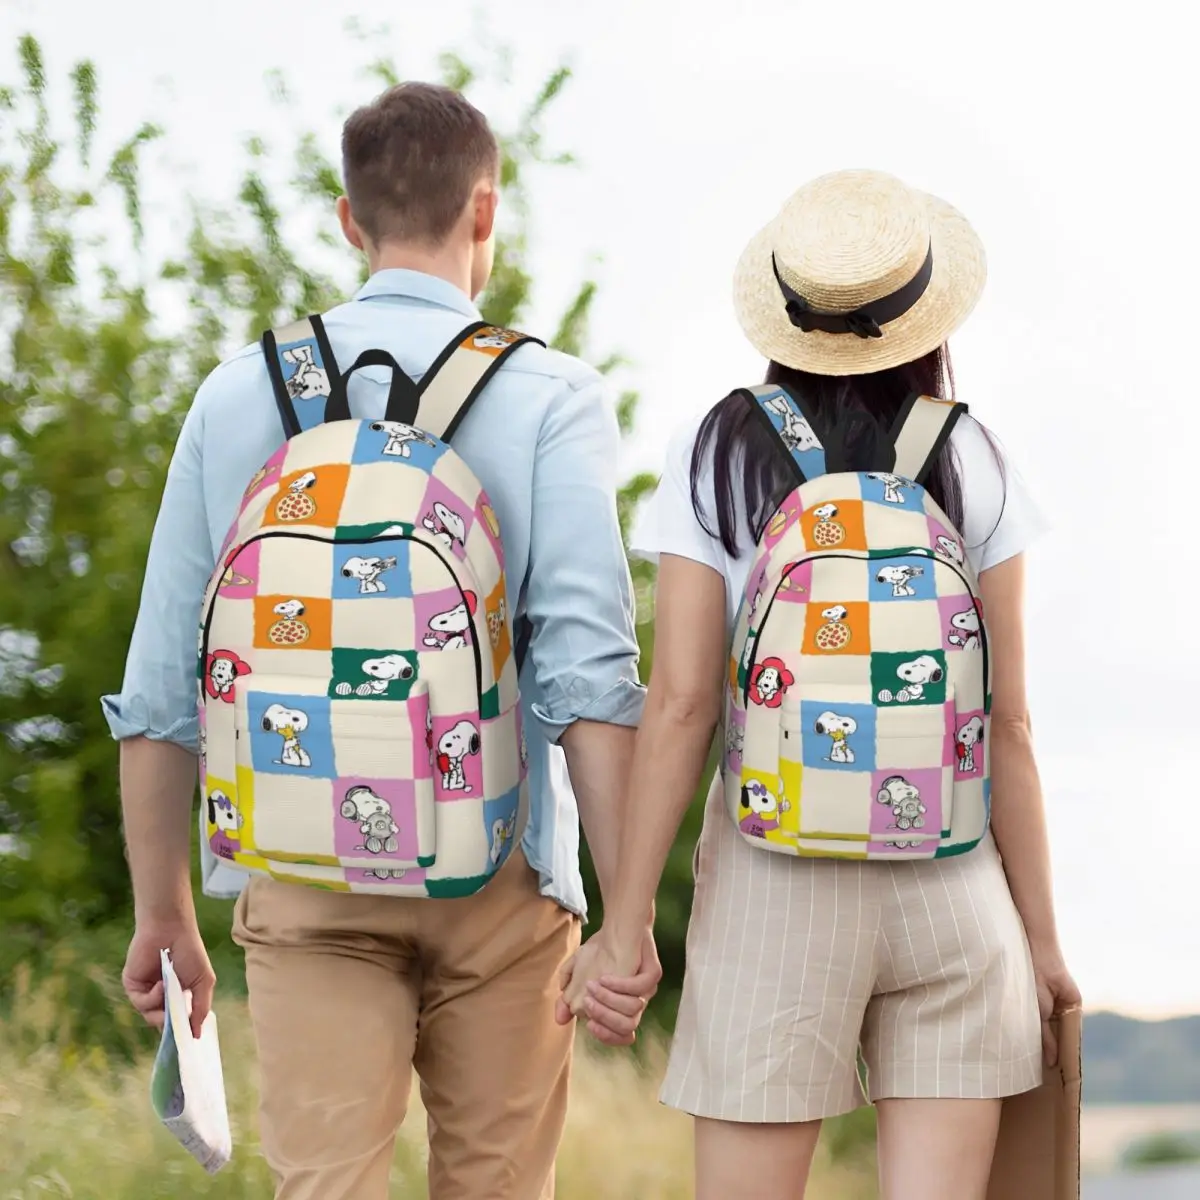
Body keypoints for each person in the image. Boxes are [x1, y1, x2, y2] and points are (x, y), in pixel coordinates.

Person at [105, 81, 661, 1200]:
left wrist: (163, 910)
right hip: (500, 871)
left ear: (349, 220)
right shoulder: (550, 394)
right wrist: (628, 916)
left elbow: (164, 682)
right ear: (485, 213)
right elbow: (589, 679)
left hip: (300, 866)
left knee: (325, 1186)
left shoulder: (237, 395)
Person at [560, 169, 1081, 1200]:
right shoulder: (972, 453)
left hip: (774, 882)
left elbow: (681, 706)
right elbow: (1008, 721)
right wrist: (1043, 943)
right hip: (953, 881)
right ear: (924, 314)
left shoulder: (717, 449)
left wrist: (624, 927)